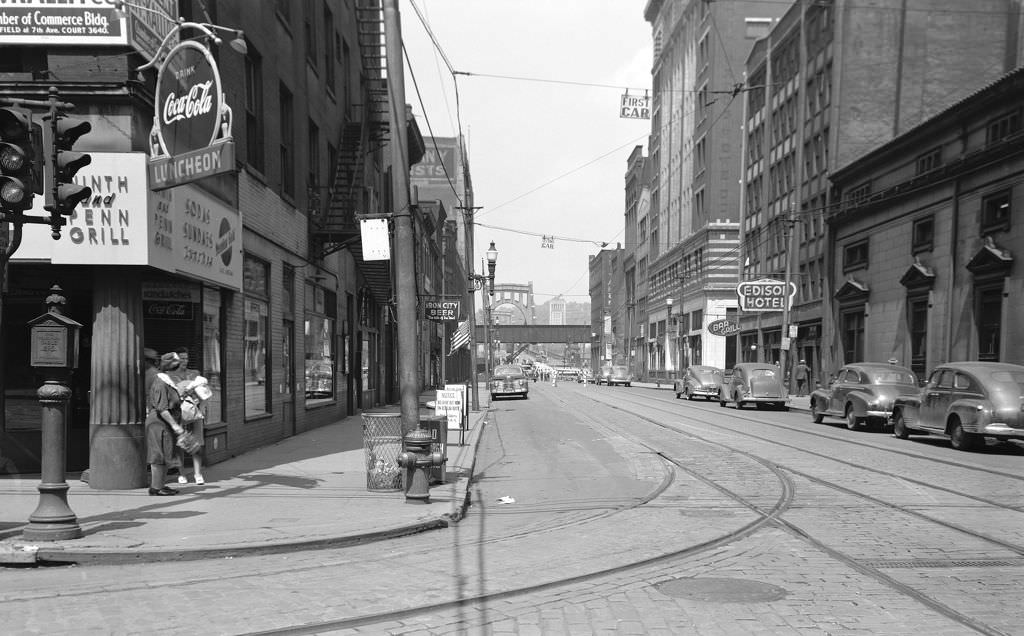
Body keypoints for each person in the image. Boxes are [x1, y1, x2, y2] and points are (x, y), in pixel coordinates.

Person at [146, 352, 185, 496]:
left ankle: (161, 485)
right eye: (178, 362)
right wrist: (175, 425)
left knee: (166, 453)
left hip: (165, 424)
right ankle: (156, 488)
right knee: (158, 455)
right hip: (159, 424)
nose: (181, 365)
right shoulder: (160, 381)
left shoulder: (168, 380)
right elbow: (162, 408)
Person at [171, 346, 206, 485]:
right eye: (182, 358)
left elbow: (203, 391)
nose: (185, 361)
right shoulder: (170, 375)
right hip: (179, 412)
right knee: (181, 443)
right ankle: (182, 473)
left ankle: (198, 473)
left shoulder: (195, 373)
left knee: (197, 442)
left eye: (186, 358)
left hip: (195, 411)